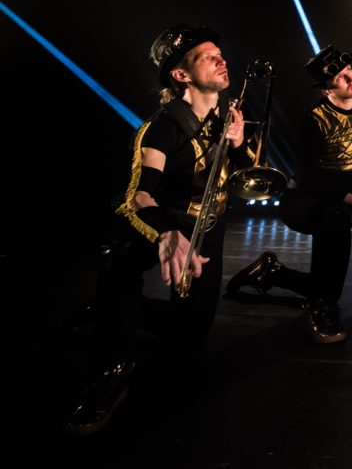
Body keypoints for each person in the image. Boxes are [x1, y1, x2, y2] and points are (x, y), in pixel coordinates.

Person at [65, 24, 248, 436]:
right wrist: (166, 234)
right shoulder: (161, 128)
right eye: (208, 57)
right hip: (162, 221)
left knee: (192, 331)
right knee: (118, 264)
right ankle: (110, 371)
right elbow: (139, 197)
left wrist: (238, 143)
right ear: (181, 74)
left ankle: (105, 309)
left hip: (206, 225)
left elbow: (246, 174)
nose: (221, 60)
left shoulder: (228, 115)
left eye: (220, 54)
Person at [227, 45, 352, 343]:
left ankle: (274, 273)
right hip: (302, 200)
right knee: (334, 226)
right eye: (341, 78)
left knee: (330, 269)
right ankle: (319, 307)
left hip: (339, 199)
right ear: (327, 89)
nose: (351, 78)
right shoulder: (313, 119)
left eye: (350, 71)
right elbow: (307, 180)